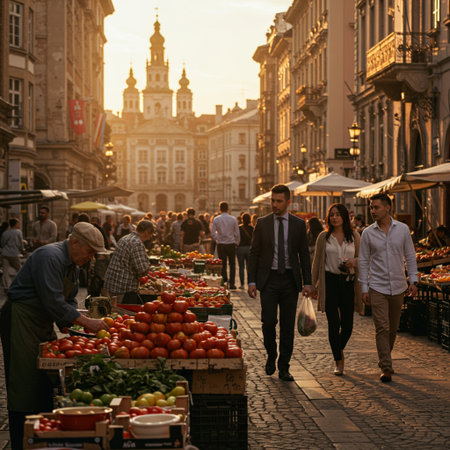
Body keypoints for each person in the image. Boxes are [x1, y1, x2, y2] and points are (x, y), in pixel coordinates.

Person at [0, 222, 109, 449]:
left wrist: (70, 326)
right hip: (22, 317)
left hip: (42, 320)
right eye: (89, 251)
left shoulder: (73, 265)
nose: (89, 258)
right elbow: (53, 301)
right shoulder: (50, 256)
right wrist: (87, 323)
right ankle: (22, 437)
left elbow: (68, 300)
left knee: (46, 374)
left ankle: (43, 431)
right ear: (75, 241)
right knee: (23, 378)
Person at [248, 184, 313, 381]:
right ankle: (271, 354)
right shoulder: (262, 223)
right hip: (269, 280)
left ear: (287, 202)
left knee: (287, 325)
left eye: (278, 201)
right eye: (272, 201)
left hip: (290, 281)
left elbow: (303, 255)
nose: (274, 205)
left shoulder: (298, 224)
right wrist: (251, 281)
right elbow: (254, 253)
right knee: (268, 321)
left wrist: (308, 282)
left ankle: (284, 366)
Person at [358, 193, 418, 383]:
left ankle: (385, 356)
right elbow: (363, 261)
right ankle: (386, 366)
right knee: (382, 327)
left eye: (376, 207)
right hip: (377, 286)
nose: (372, 211)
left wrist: (414, 280)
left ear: (387, 208)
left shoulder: (402, 230)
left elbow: (410, 256)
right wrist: (364, 288)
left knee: (392, 328)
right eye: (371, 207)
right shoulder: (367, 233)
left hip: (399, 286)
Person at [311, 204, 361, 376]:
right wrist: (311, 284)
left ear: (345, 217)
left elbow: (363, 258)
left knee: (347, 325)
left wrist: (353, 262)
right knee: (334, 324)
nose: (334, 217)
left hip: (348, 283)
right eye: (331, 215)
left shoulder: (354, 236)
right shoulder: (323, 237)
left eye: (338, 214)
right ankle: (338, 361)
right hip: (330, 283)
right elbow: (317, 262)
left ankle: (338, 349)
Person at [103, 220, 154, 304]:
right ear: (146, 232)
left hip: (112, 283)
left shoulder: (125, 237)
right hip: (123, 287)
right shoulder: (137, 243)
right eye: (150, 235)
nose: (149, 238)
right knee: (125, 312)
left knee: (115, 312)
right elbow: (142, 269)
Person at [212, 202, 240, 289]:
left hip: (221, 244)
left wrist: (218, 239)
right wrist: (237, 241)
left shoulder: (216, 219)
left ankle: (224, 282)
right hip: (231, 244)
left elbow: (213, 233)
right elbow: (237, 232)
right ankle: (232, 283)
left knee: (223, 264)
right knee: (232, 264)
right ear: (228, 208)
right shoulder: (233, 219)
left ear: (219, 209)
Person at [1, 219, 24, 293]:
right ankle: (21, 284)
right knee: (20, 269)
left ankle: (6, 286)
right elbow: (21, 243)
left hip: (5, 253)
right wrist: (21, 249)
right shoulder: (18, 232)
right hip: (14, 253)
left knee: (5, 271)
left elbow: (2, 243)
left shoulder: (5, 233)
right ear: (16, 224)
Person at [237, 213, 254, 289]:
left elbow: (236, 238)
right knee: (249, 267)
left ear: (242, 219)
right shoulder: (252, 228)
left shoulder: (239, 228)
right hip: (249, 248)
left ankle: (242, 284)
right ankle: (250, 282)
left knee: (241, 267)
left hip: (240, 248)